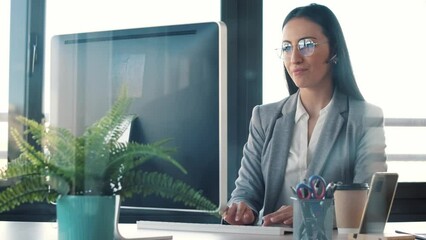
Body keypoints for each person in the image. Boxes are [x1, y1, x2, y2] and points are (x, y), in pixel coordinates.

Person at [222, 3, 387, 226]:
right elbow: (245, 191)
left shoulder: (365, 118)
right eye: (287, 48)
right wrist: (242, 208)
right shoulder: (264, 117)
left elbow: (371, 205)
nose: (295, 58)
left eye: (306, 45)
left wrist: (311, 214)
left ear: (334, 49)